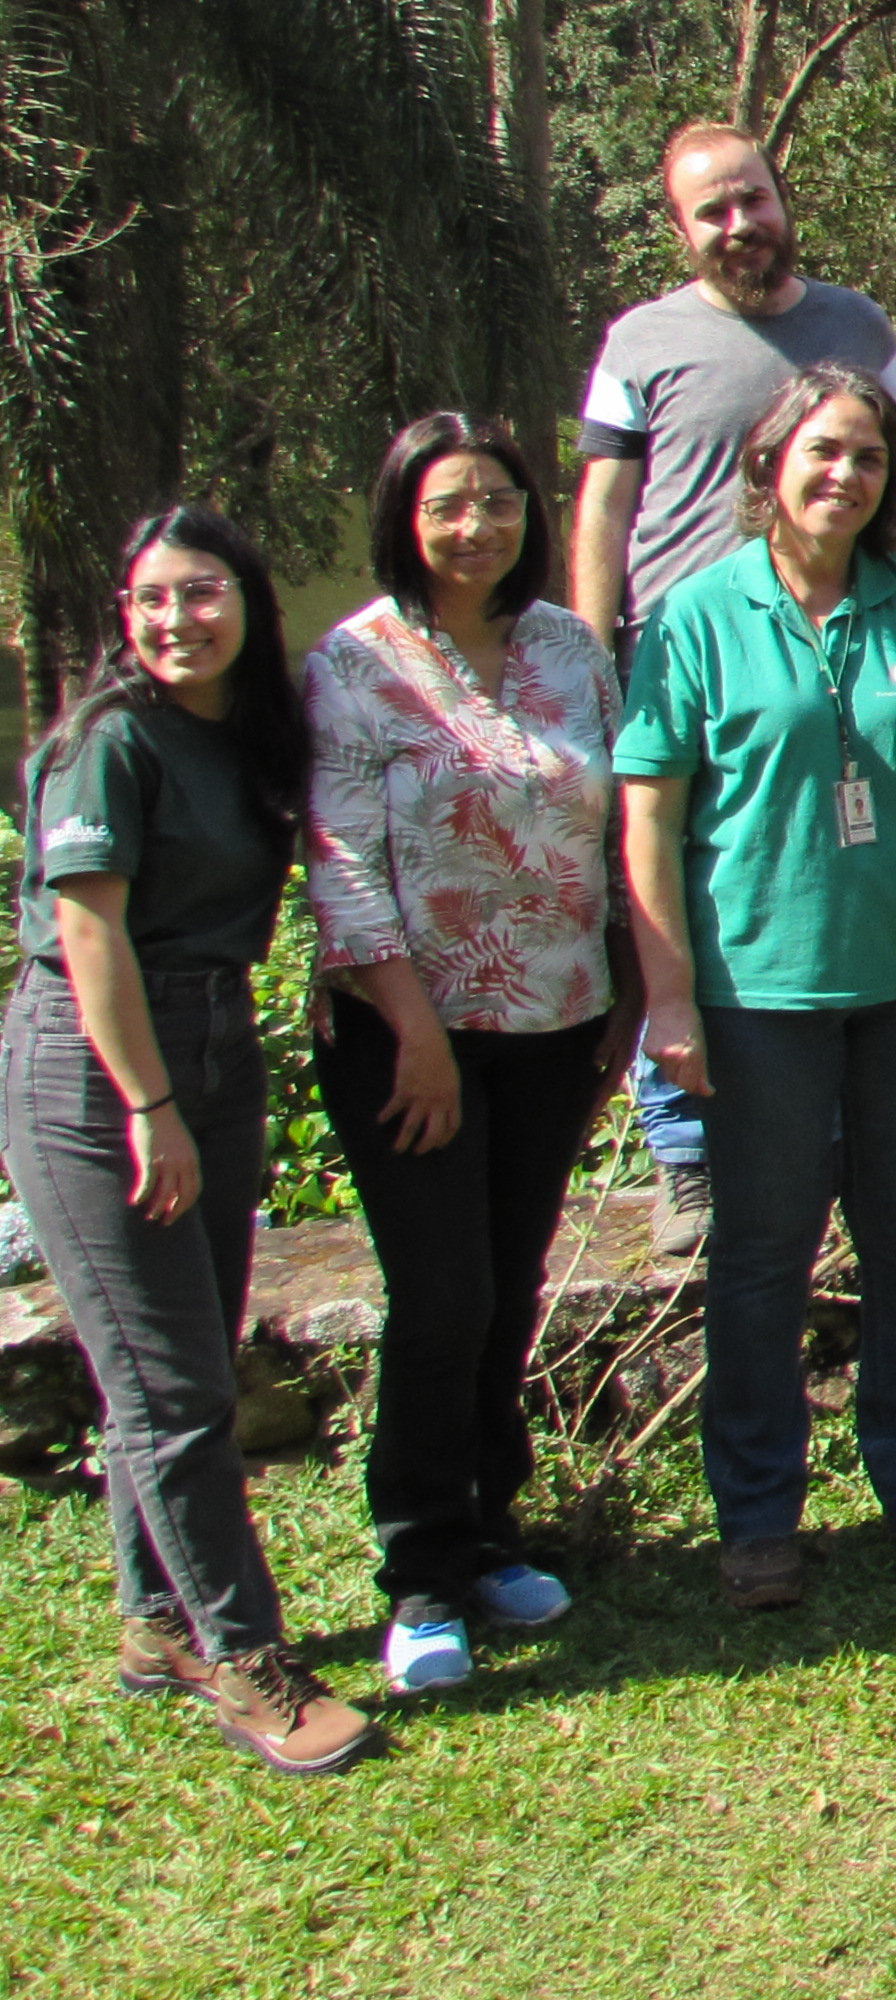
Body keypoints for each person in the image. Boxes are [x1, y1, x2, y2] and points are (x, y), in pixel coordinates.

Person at [616, 365, 896, 1607]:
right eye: (823, 452)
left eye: (867, 455)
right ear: (768, 465)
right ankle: (756, 1511)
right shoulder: (697, 616)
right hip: (760, 989)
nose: (845, 474)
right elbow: (650, 809)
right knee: (762, 1252)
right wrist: (669, 995)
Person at [6, 509, 379, 1773]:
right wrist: (149, 1107)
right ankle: (247, 1658)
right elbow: (89, 935)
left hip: (215, 1046)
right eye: (152, 599)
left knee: (178, 1362)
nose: (178, 621)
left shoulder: (243, 734)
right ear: (123, 612)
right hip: (100, 1069)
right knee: (175, 1389)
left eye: (203, 592)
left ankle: (156, 1619)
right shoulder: (106, 743)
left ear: (249, 602)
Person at [302, 417, 629, 1693]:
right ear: (404, 518)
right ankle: (422, 1573)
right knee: (440, 1301)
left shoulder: (567, 650)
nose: (477, 526)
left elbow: (612, 826)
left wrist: (620, 994)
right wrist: (418, 1038)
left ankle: (494, 1531)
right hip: (410, 1039)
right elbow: (338, 865)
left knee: (509, 1286)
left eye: (497, 501)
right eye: (448, 506)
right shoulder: (353, 664)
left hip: (553, 1025)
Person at [571, 123, 896, 1262]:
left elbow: (894, 474)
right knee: (669, 894)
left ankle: (819, 1132)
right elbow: (605, 510)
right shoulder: (643, 339)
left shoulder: (858, 328)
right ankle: (681, 1155)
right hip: (679, 657)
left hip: (831, 649)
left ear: (782, 199)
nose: (737, 226)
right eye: (710, 211)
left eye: (751, 200)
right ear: (680, 227)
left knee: (810, 886)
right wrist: (591, 655)